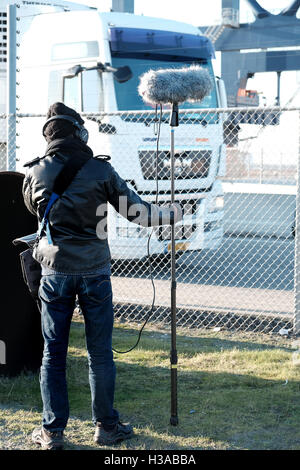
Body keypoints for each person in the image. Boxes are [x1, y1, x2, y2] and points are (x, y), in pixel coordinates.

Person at [22, 102, 182, 450]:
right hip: (95, 271)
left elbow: (34, 212)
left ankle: (52, 433)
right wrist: (172, 214)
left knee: (53, 354)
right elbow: (139, 213)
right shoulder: (100, 171)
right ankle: (107, 428)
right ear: (80, 132)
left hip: (54, 273)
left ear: (48, 136)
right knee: (100, 354)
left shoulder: (34, 173)